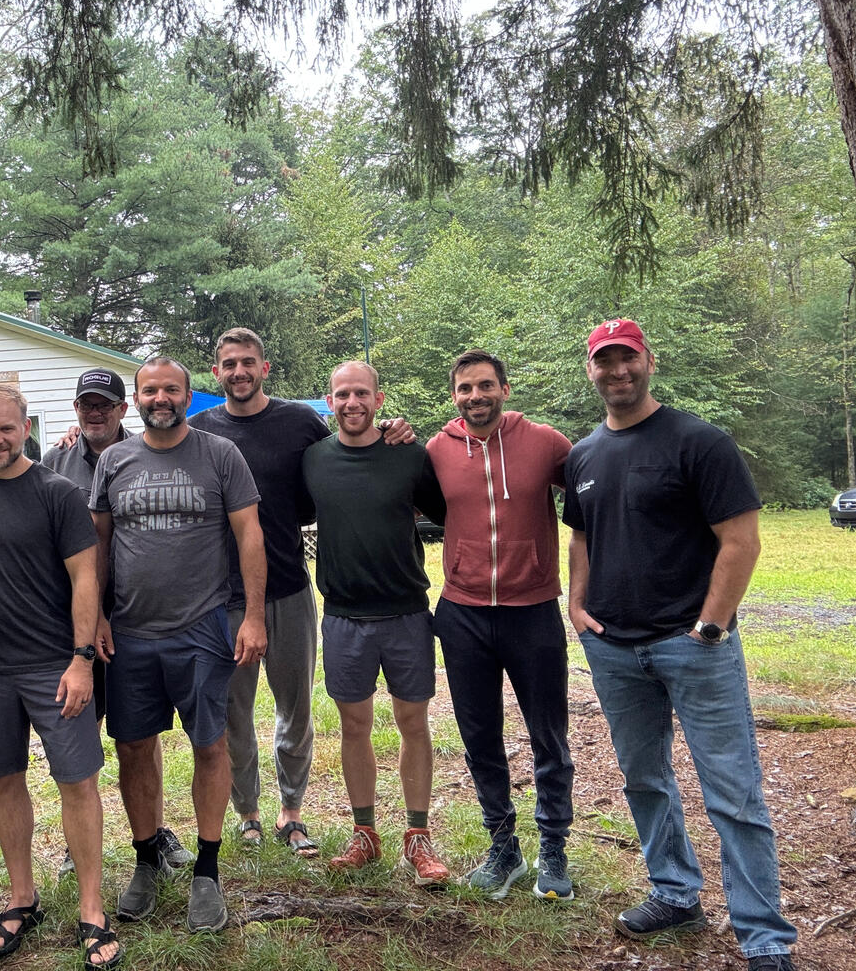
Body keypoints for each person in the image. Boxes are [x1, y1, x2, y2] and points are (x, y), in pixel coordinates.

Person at [563, 319, 796, 971]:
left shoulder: (699, 442)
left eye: (627, 358)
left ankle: (765, 937)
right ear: (590, 370)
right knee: (646, 779)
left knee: (734, 791)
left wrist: (713, 626)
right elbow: (581, 539)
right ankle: (674, 891)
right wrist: (576, 605)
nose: (617, 371)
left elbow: (741, 539)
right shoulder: (583, 456)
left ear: (648, 361)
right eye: (604, 362)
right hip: (614, 651)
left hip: (694, 646)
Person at [190, 328, 414, 854]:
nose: (239, 371)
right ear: (216, 371)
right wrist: (72, 441)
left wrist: (393, 432)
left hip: (288, 588)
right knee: (233, 711)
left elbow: (348, 453)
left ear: (265, 367)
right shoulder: (199, 429)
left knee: (295, 707)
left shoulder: (300, 423)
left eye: (248, 362)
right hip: (221, 597)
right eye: (229, 363)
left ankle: (292, 811)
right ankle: (247, 810)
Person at [90, 356, 267, 932]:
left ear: (188, 396)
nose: (159, 397)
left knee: (209, 745)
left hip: (203, 627)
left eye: (171, 389)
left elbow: (249, 535)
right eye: (149, 389)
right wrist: (94, 617)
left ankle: (208, 872)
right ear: (134, 400)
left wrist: (253, 617)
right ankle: (146, 859)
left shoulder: (220, 454)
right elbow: (97, 545)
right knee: (134, 748)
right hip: (131, 633)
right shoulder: (114, 460)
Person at [0, 384, 121, 967]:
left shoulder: (58, 492)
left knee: (78, 783)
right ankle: (22, 897)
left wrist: (80, 659)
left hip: (54, 665)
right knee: (4, 781)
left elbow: (85, 579)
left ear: (27, 427)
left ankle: (92, 907)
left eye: (7, 428)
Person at [424, 350, 575, 900]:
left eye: (485, 385)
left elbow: (592, 491)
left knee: (548, 737)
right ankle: (503, 848)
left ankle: (553, 851)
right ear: (455, 395)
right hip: (462, 613)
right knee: (479, 737)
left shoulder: (544, 442)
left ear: (505, 390)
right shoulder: (437, 450)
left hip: (532, 610)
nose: (475, 396)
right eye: (465, 388)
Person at [302, 360, 449, 886]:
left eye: (361, 394)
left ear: (379, 400)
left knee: (414, 724)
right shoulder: (313, 459)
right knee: (354, 727)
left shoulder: (408, 454)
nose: (352, 404)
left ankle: (418, 835)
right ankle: (364, 832)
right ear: (330, 401)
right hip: (343, 617)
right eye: (342, 395)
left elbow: (452, 513)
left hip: (407, 612)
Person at [41, 368, 194, 874]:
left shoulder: (143, 451)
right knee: (78, 734)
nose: (95, 412)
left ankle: (149, 838)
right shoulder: (55, 461)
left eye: (105, 403)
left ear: (123, 408)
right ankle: (76, 842)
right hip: (67, 621)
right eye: (87, 404)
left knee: (138, 736)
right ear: (75, 408)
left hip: (128, 618)